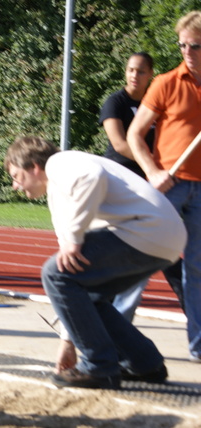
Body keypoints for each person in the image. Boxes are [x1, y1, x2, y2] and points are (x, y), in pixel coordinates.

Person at [5, 136, 186, 389]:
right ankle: (145, 363)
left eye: (16, 175)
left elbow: (92, 176)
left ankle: (99, 368)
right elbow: (71, 279)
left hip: (147, 231)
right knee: (86, 293)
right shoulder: (60, 194)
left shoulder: (60, 163)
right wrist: (68, 343)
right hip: (163, 238)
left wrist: (74, 237)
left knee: (53, 273)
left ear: (34, 167)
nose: (15, 185)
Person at [127, 10, 201, 363]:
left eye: (195, 46)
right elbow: (135, 134)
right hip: (169, 186)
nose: (187, 51)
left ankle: (199, 345)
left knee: (198, 269)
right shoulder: (166, 83)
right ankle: (112, 331)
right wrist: (153, 171)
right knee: (139, 258)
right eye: (183, 44)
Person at [99, 52, 184, 321]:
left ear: (150, 75)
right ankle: (101, 310)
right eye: (131, 70)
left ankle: (192, 308)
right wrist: (152, 166)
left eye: (141, 71)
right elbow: (120, 144)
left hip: (150, 185)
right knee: (128, 248)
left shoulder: (156, 104)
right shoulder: (116, 102)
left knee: (163, 247)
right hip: (119, 182)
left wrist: (158, 169)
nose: (135, 75)